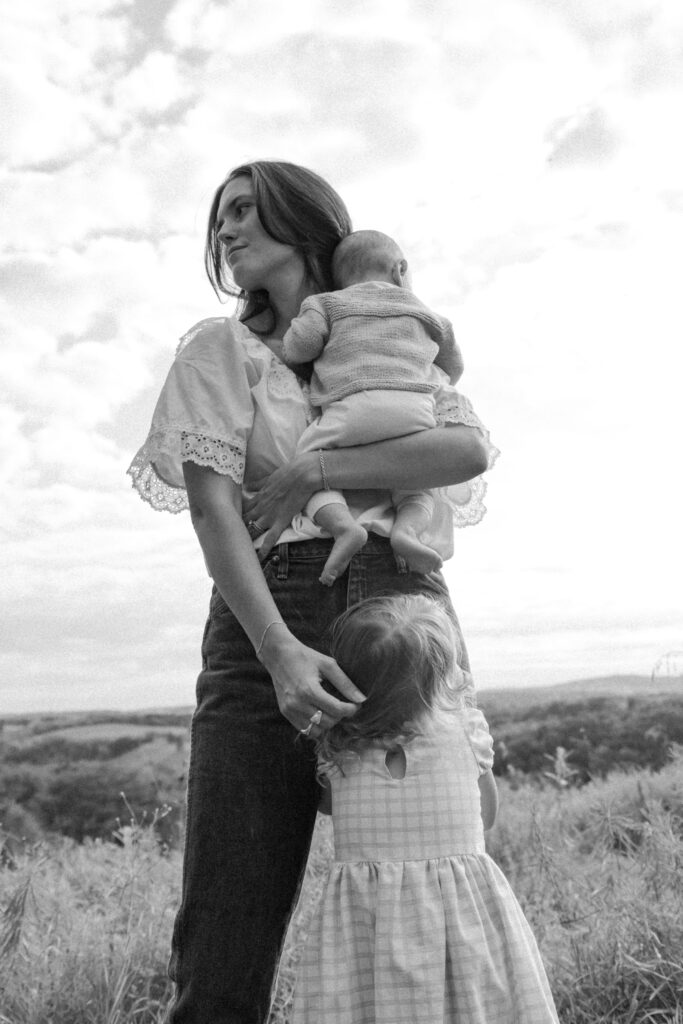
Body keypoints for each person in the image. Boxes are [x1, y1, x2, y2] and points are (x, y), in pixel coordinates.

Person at [127, 160, 497, 1024]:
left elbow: (464, 452)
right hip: (270, 619)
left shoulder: (389, 334)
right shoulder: (218, 349)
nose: (226, 229)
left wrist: (315, 468)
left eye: (248, 211)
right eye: (219, 217)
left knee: (435, 897)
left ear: (305, 219)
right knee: (227, 931)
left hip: (404, 610)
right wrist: (279, 650)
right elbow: (216, 514)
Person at [288, 594, 560, 1024]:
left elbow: (327, 808)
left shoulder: (339, 750)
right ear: (438, 681)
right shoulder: (466, 735)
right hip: (461, 916)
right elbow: (486, 816)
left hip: (368, 923)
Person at [282, 229, 465, 585]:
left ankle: (344, 528)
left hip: (352, 411)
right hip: (415, 411)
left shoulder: (328, 303)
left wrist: (292, 341)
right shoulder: (425, 312)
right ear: (400, 270)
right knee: (415, 482)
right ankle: (406, 532)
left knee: (306, 464)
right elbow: (453, 366)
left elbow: (300, 347)